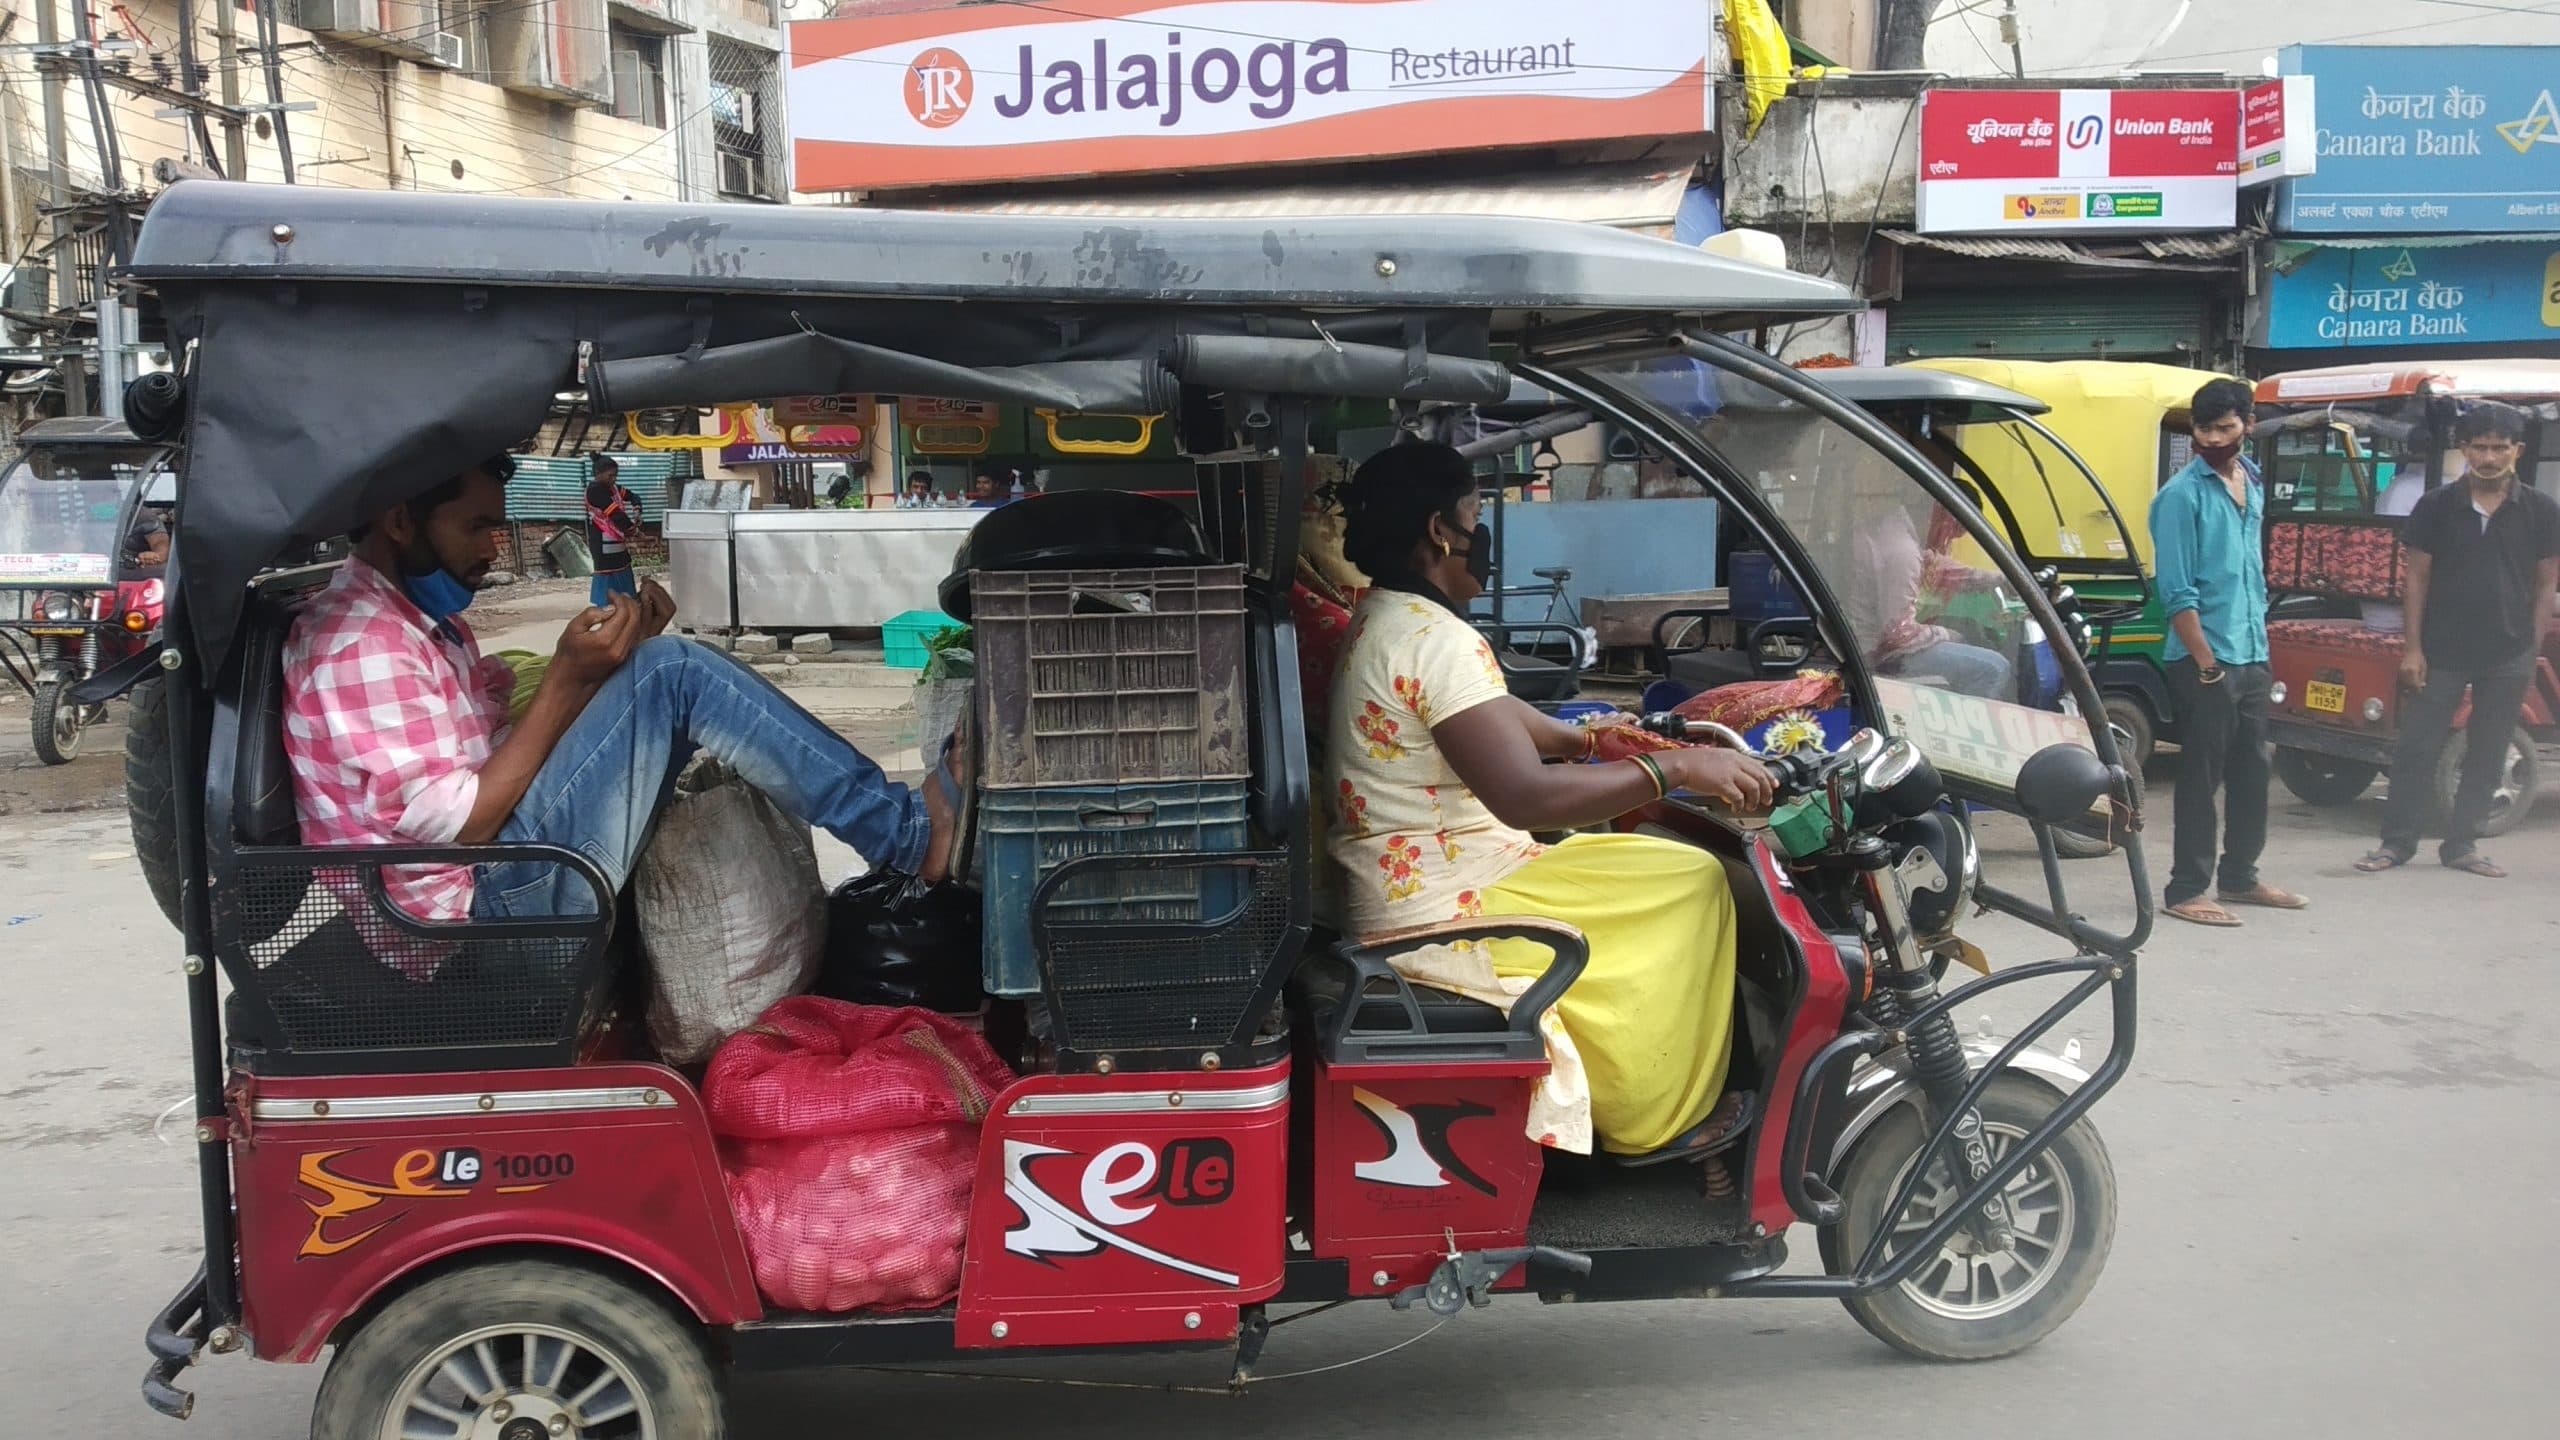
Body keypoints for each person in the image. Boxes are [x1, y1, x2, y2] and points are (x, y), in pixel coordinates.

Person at [283, 454, 961, 936]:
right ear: (399, 521)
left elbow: (507, 756)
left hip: (493, 872)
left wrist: (612, 666)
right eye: (475, 528)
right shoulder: (363, 644)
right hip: (474, 912)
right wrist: (566, 680)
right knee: (674, 672)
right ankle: (902, 834)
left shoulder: (422, 626)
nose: (492, 548)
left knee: (657, 673)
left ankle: (897, 825)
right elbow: (460, 827)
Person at [1323, 441, 1774, 1159]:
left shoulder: (1387, 618)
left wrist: (1592, 739)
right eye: (1475, 513)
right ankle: (1661, 1119)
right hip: (1450, 898)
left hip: (1420, 876)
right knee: (1693, 881)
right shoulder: (1435, 639)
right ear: (1441, 530)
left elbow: (1499, 719)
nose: (1484, 534)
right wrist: (1676, 771)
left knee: (1643, 862)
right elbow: (1524, 795)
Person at [2357, 403, 2560, 879]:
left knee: (2488, 750)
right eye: (2480, 447)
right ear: (2464, 449)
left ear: (2517, 451)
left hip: (2508, 651)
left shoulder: (2541, 509)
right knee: (2417, 747)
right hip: (2442, 648)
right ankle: (2396, 844)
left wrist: (2530, 649)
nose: (2489, 458)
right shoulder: (2437, 505)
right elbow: (2417, 580)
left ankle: (2463, 845)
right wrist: (2413, 648)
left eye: (2499, 448)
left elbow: (2545, 584)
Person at [2150, 378, 2305, 927]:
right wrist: (2208, 664)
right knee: (2201, 775)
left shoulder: (2252, 483)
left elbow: (2250, 576)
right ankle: (2186, 889)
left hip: (2251, 653)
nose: (2213, 438)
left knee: (2252, 770)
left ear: (2248, 425)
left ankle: (2240, 876)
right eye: (2204, 428)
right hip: (2204, 660)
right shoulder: (2179, 496)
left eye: (2224, 427)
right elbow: (2177, 592)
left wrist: (2256, 653)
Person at [584, 455, 640, 606]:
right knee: (606, 574)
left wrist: (637, 509)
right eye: (610, 476)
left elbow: (634, 496)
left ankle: (626, 604)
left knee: (623, 567)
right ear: (599, 474)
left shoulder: (613, 489)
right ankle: (605, 609)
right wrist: (634, 531)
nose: (614, 479)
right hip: (602, 542)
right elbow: (616, 514)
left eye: (615, 475)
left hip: (616, 541)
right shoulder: (595, 491)